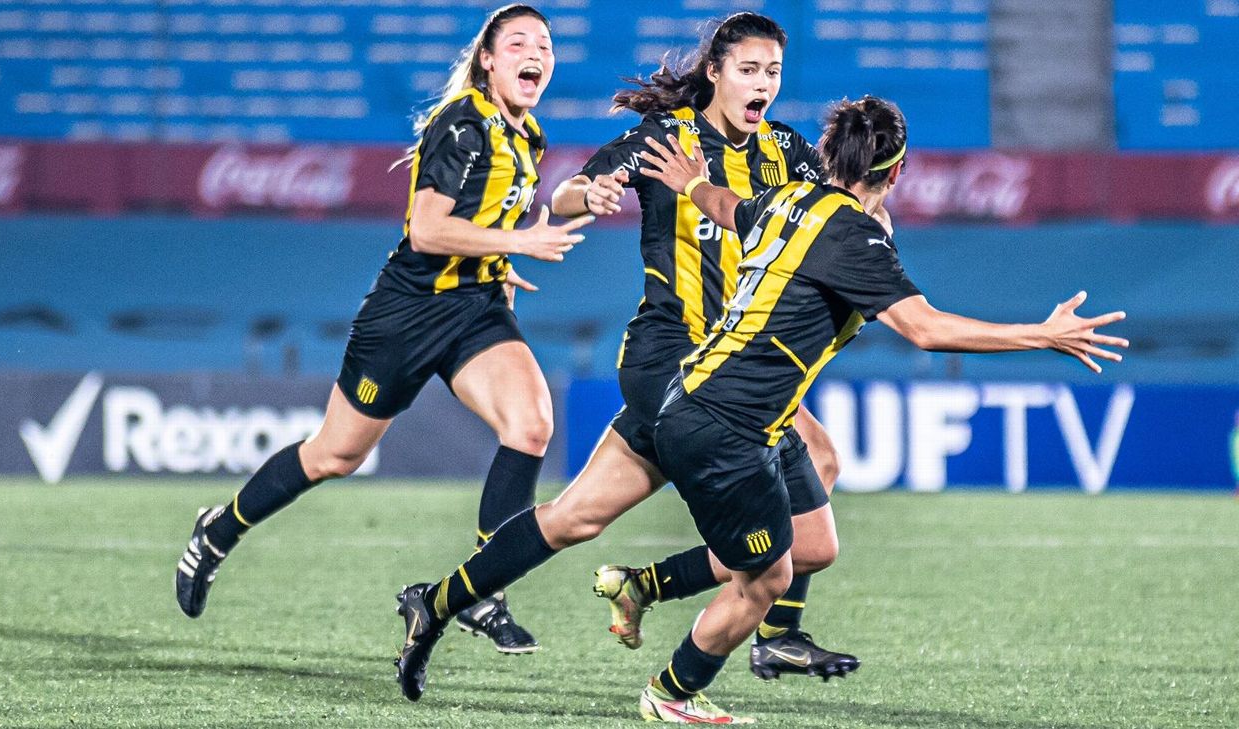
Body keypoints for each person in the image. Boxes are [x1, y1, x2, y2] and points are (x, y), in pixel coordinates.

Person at [608, 94, 1128, 723]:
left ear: (829, 155)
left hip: (715, 405)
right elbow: (926, 329)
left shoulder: (788, 200)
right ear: (897, 172)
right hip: (725, 423)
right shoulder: (852, 235)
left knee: (812, 543)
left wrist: (692, 183)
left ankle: (644, 586)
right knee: (767, 579)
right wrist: (1041, 335)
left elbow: (727, 207)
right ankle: (670, 694)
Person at [393, 12, 858, 706]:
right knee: (776, 546)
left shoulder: (787, 149)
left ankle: (435, 602)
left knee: (578, 518)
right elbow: (566, 192)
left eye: (773, 72)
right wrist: (594, 192)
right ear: (716, 72)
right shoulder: (667, 139)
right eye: (749, 69)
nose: (762, 83)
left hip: (730, 371)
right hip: (672, 362)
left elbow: (828, 216)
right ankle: (694, 668)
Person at [174, 4, 593, 655]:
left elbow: (490, 212)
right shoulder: (461, 124)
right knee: (333, 456)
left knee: (532, 424)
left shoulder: (527, 134)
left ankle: (483, 591)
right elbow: (426, 230)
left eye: (544, 42)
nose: (534, 52)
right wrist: (518, 241)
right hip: (408, 313)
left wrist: (503, 262)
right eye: (518, 42)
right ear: (488, 59)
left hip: (475, 307)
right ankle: (218, 529)